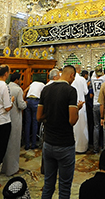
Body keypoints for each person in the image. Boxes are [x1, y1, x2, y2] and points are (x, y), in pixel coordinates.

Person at [38, 65, 81, 199]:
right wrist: (77, 109)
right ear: (72, 75)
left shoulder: (46, 89)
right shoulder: (70, 91)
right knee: (64, 187)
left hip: (48, 143)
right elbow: (72, 120)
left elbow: (39, 117)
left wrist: (51, 114)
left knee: (48, 184)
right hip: (64, 144)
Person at [2, 72, 27, 176]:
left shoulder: (6, 87)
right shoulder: (18, 89)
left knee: (6, 143)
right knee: (14, 143)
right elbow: (21, 105)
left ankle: (3, 167)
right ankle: (12, 169)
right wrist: (26, 103)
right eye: (20, 79)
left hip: (5, 118)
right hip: (15, 119)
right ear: (17, 80)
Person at [24, 78, 45, 150]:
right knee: (35, 123)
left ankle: (27, 145)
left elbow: (25, 91)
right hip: (36, 101)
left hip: (28, 100)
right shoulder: (43, 85)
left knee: (27, 123)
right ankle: (33, 144)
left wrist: (24, 100)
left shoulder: (33, 83)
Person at [72, 65, 89, 153]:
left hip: (73, 104)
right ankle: (82, 148)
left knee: (74, 127)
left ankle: (74, 147)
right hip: (81, 104)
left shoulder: (71, 79)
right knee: (82, 126)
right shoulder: (82, 79)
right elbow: (86, 92)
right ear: (79, 70)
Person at [90, 67, 105, 153]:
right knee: (104, 127)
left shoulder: (92, 79)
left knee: (96, 127)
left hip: (95, 104)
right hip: (102, 104)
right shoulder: (104, 78)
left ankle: (95, 148)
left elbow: (94, 73)